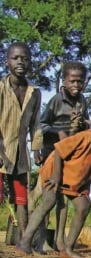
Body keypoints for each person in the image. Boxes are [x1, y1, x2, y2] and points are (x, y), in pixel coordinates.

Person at [16, 107, 91, 258]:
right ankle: (24, 243)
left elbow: (90, 166)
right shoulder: (87, 137)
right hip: (54, 172)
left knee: (84, 205)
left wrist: (85, 189)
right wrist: (56, 176)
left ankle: (68, 248)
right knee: (49, 201)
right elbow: (59, 150)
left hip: (71, 180)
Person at [35, 61, 90, 253]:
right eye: (73, 81)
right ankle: (41, 240)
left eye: (80, 81)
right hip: (52, 153)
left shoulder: (82, 100)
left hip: (70, 156)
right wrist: (59, 132)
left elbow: (86, 126)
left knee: (64, 199)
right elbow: (41, 125)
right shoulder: (56, 101)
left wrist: (82, 122)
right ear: (64, 81)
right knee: (50, 197)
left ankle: (60, 240)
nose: (76, 85)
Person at [0, 42, 42, 240]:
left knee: (21, 197)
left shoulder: (34, 93)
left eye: (25, 58)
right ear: (7, 61)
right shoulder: (1, 88)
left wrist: (36, 149)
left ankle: (24, 240)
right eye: (16, 58)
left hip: (20, 152)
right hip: (2, 149)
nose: (20, 62)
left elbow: (36, 123)